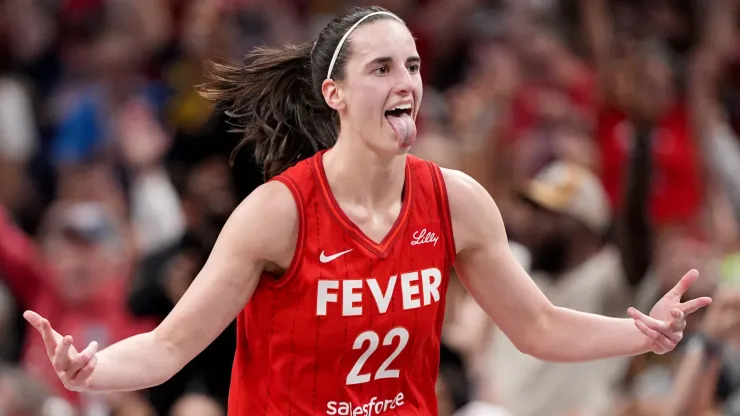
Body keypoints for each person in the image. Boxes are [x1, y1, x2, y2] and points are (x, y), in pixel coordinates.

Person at [22, 6, 712, 415]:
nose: (406, 81)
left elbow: (536, 325)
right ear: (336, 94)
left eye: (411, 65)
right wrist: (93, 369)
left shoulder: (456, 199)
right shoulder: (279, 213)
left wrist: (643, 336)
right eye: (381, 69)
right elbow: (170, 346)